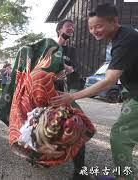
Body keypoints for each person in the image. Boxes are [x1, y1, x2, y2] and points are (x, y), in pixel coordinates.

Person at [51, 3, 138, 180]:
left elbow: (109, 79)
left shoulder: (125, 39)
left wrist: (72, 96)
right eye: (91, 27)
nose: (94, 31)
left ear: (114, 21)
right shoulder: (119, 38)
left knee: (119, 136)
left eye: (98, 26)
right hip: (132, 92)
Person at [55, 19, 90, 180]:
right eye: (68, 27)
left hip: (64, 93)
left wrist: (68, 69)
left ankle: (79, 171)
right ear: (59, 29)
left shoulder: (72, 50)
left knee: (78, 124)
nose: (71, 29)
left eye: (73, 28)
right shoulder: (49, 46)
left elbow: (74, 68)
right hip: (44, 93)